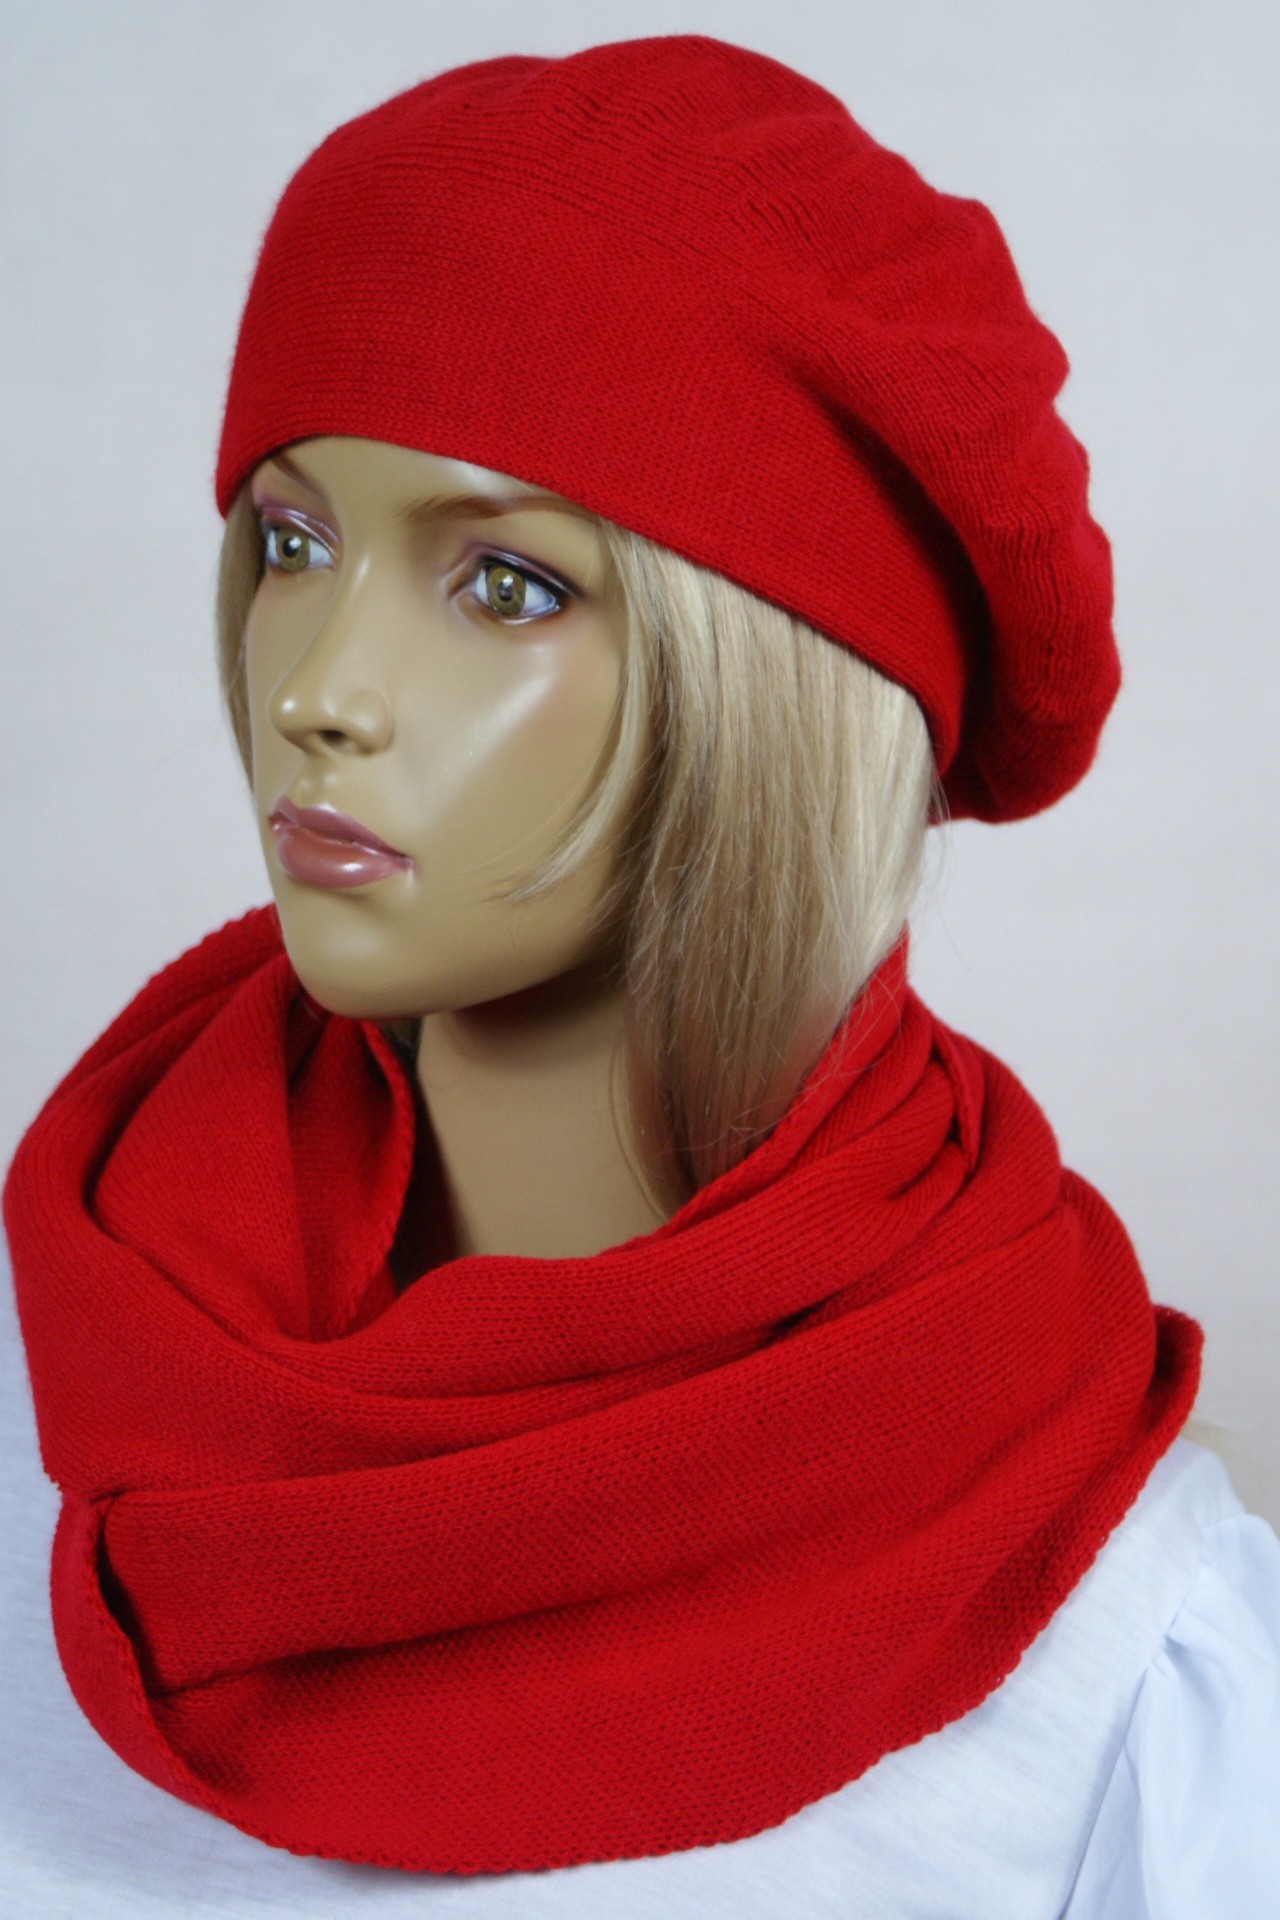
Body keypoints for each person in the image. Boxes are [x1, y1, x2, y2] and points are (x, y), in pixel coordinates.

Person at [5, 33, 1279, 1917]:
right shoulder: (63, 1373)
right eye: (292, 540)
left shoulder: (1131, 1679)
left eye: (506, 585)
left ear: (770, 689)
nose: (318, 690)